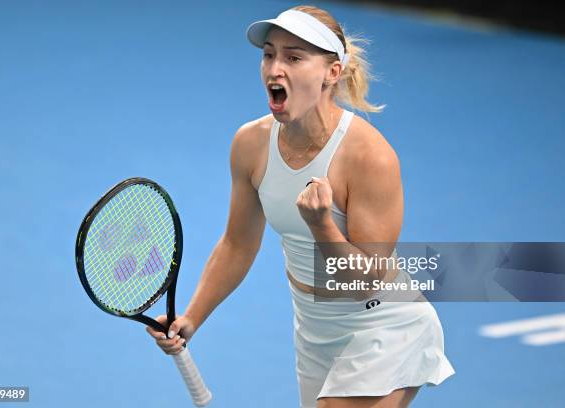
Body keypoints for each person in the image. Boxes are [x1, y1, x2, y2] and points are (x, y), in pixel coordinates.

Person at [147, 5, 455, 407]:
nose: (276, 68)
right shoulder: (250, 144)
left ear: (332, 72)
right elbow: (238, 243)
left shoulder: (369, 157)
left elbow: (366, 279)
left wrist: (322, 224)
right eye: (269, 54)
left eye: (294, 57)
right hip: (314, 332)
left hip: (383, 323)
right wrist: (192, 317)